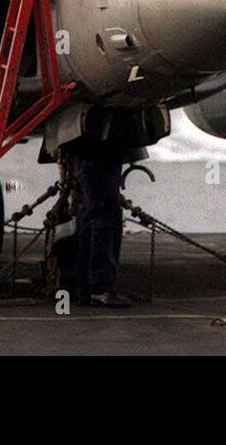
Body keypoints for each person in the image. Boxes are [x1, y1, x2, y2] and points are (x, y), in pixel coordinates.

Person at [67, 111, 130, 308]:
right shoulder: (106, 107)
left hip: (91, 154)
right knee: (105, 219)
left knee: (93, 218)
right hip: (101, 155)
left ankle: (87, 288)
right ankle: (101, 289)